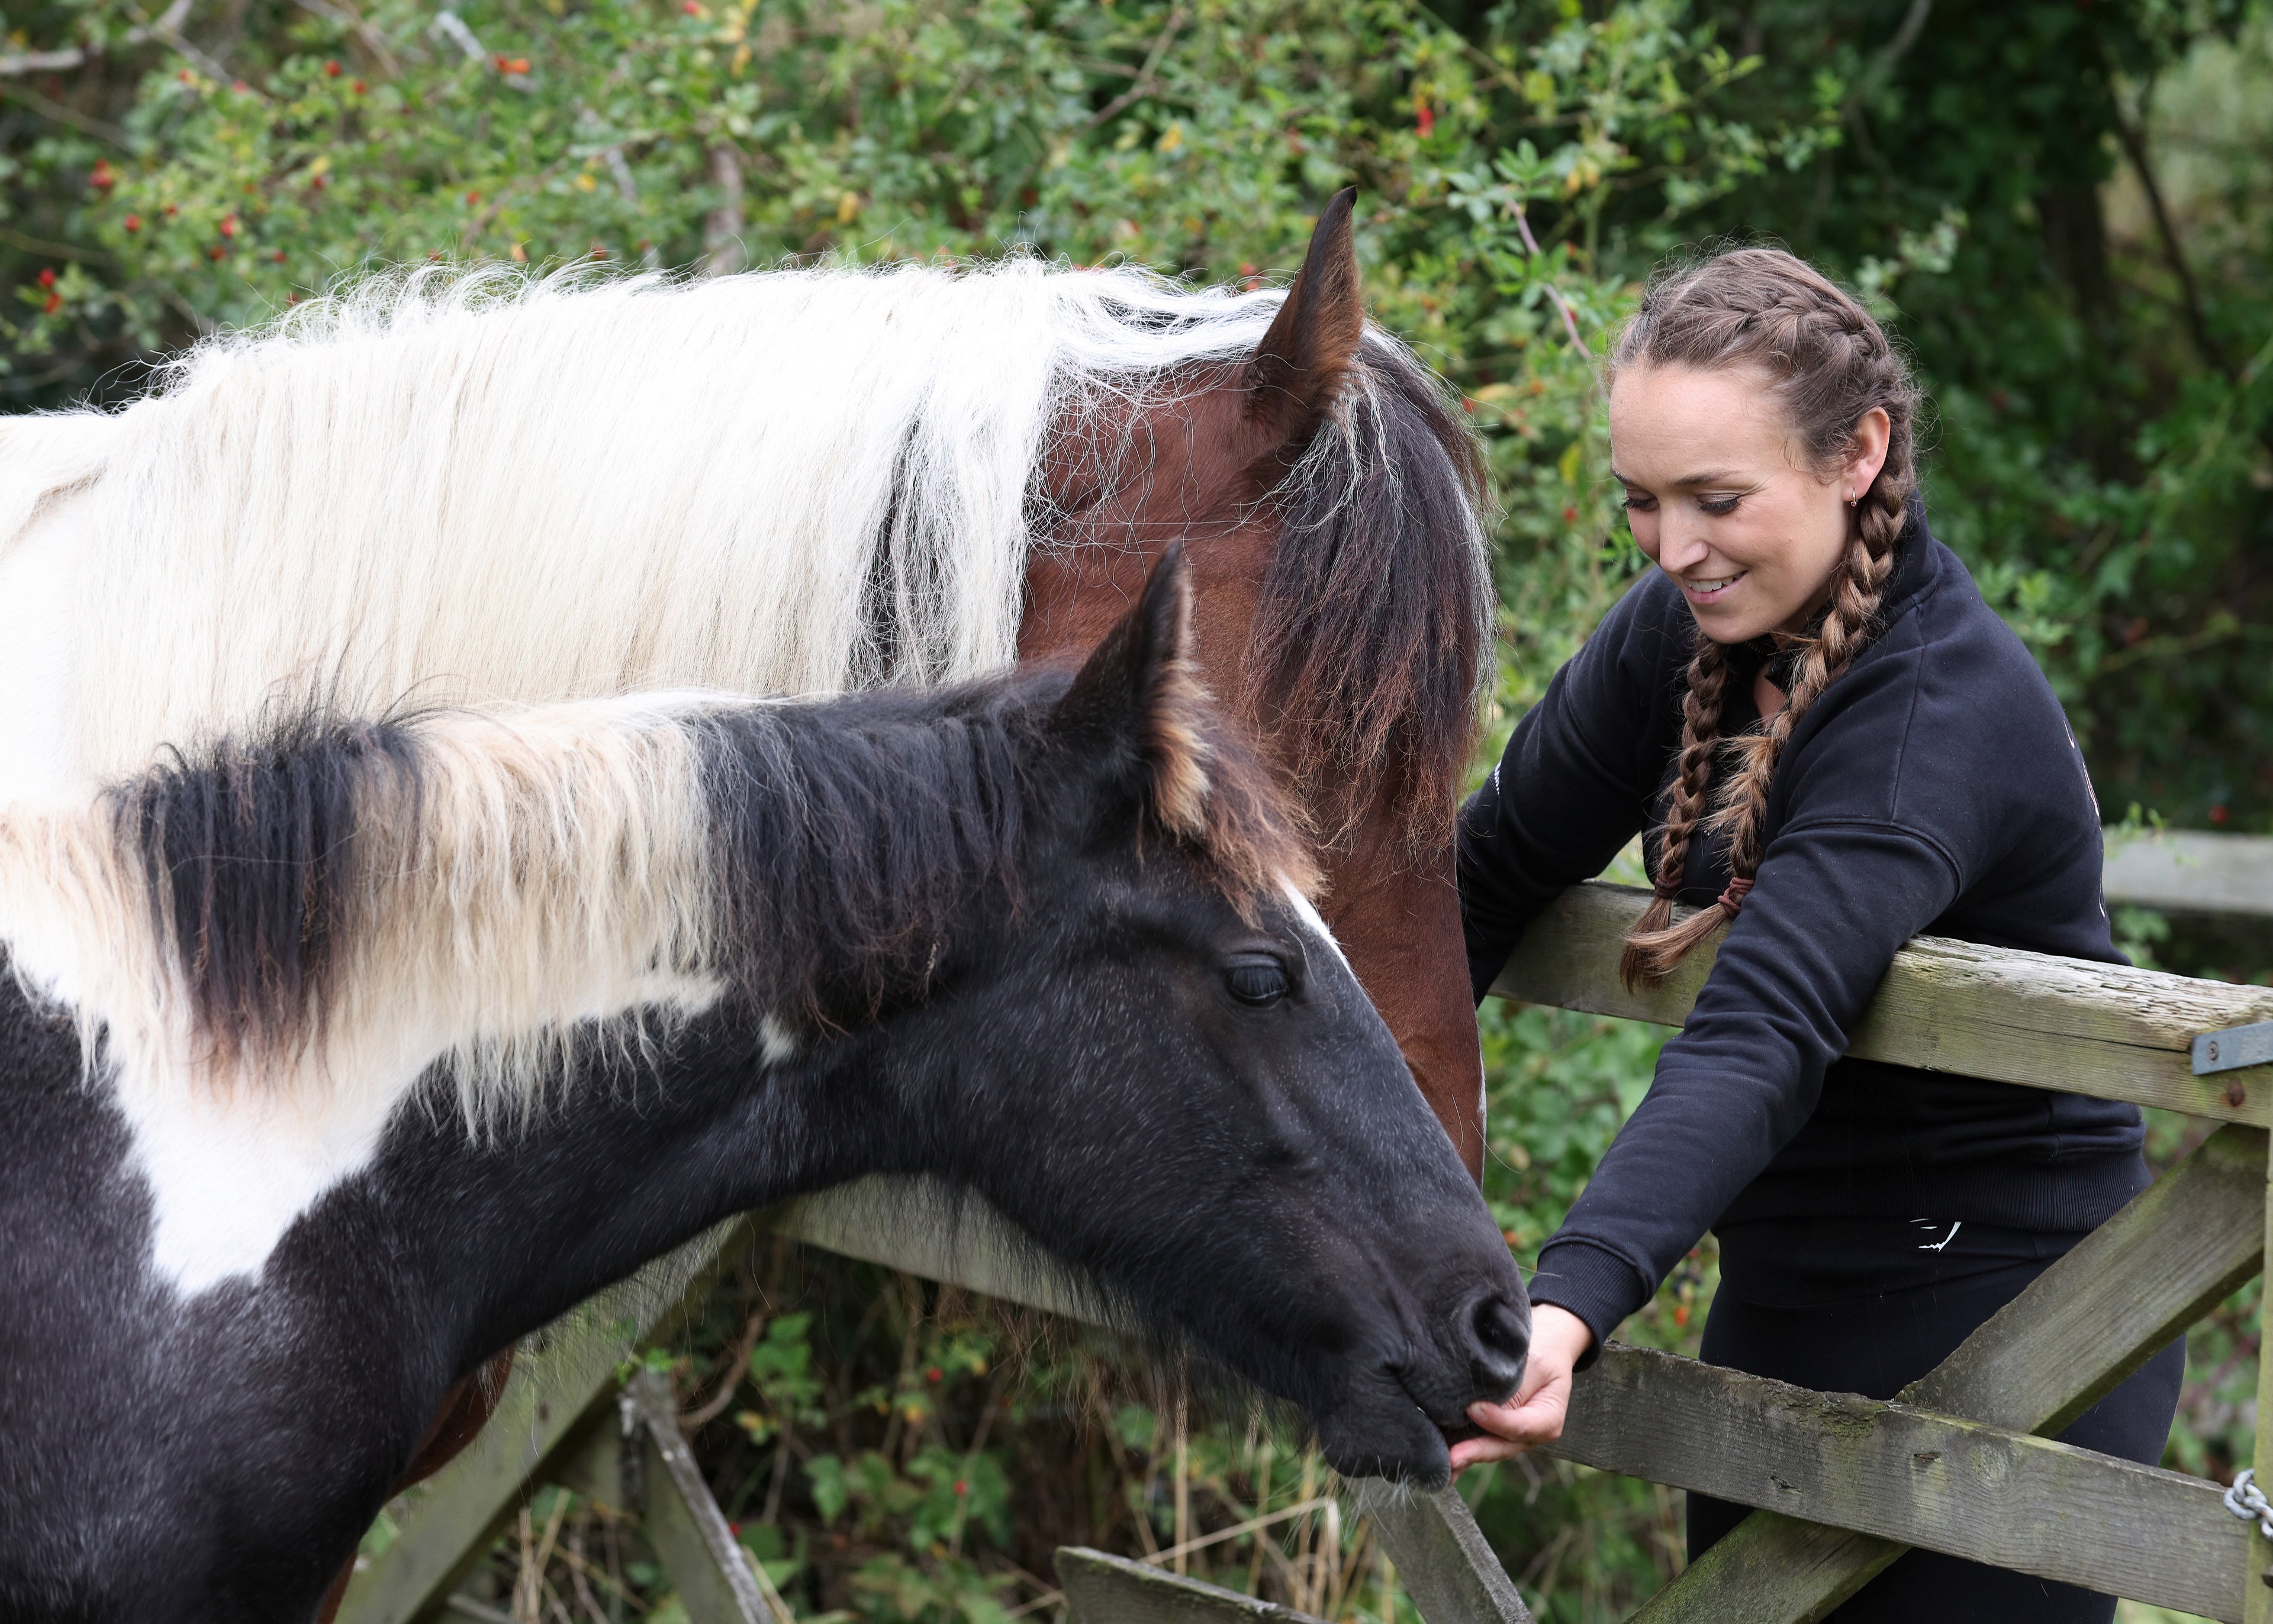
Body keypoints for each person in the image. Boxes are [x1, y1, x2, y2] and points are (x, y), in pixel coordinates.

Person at [1451, 247, 2182, 1621]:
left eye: (1717, 499)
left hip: (2019, 1322)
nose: (1675, 549)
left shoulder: (1929, 717)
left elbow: (1762, 1029)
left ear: (1858, 452)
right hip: (1787, 1301)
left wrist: (1572, 1299)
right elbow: (1483, 878)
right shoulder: (1683, 629)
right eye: (1643, 504)